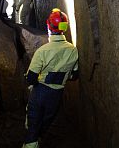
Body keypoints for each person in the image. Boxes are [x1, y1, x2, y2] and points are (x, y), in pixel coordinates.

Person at [22, 8, 79, 148]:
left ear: (49, 27)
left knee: (33, 125)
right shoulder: (73, 50)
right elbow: (74, 75)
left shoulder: (43, 51)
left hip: (40, 92)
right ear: (64, 28)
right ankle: (37, 140)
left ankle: (31, 142)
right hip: (56, 95)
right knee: (46, 122)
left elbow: (31, 78)